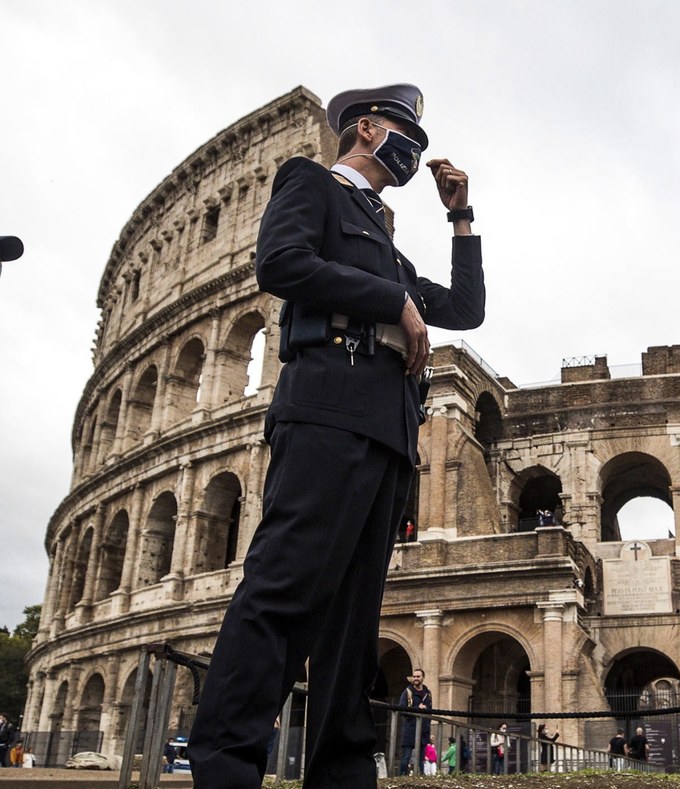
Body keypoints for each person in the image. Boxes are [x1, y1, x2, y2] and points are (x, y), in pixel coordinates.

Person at [188, 82, 485, 789]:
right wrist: (390, 302)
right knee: (283, 591)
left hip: (387, 429)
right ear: (368, 129)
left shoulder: (389, 245)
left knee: (356, 623)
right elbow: (281, 264)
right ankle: (226, 769)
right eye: (407, 128)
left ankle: (343, 775)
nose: (417, 144)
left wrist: (462, 217)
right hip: (325, 407)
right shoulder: (313, 185)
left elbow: (466, 310)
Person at [397, 669, 433, 775]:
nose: (416, 678)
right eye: (414, 676)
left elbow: (430, 711)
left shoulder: (428, 693)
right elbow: (402, 710)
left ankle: (420, 778)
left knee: (421, 758)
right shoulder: (407, 692)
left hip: (423, 730)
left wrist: (428, 724)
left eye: (418, 676)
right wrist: (417, 708)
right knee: (406, 757)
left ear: (423, 677)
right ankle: (402, 778)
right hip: (410, 729)